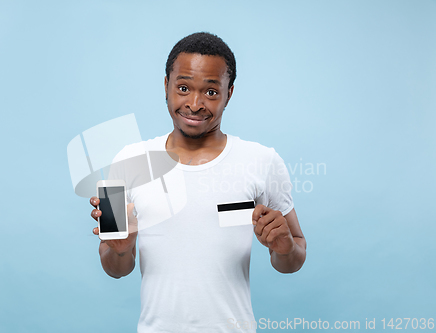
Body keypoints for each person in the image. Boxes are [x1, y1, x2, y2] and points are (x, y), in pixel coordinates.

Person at [89, 32, 306, 332]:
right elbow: (114, 269)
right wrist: (121, 249)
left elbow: (295, 256)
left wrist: (284, 249)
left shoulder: (263, 161)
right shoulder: (126, 161)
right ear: (165, 86)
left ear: (229, 93)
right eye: (183, 87)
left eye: (211, 92)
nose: (195, 104)